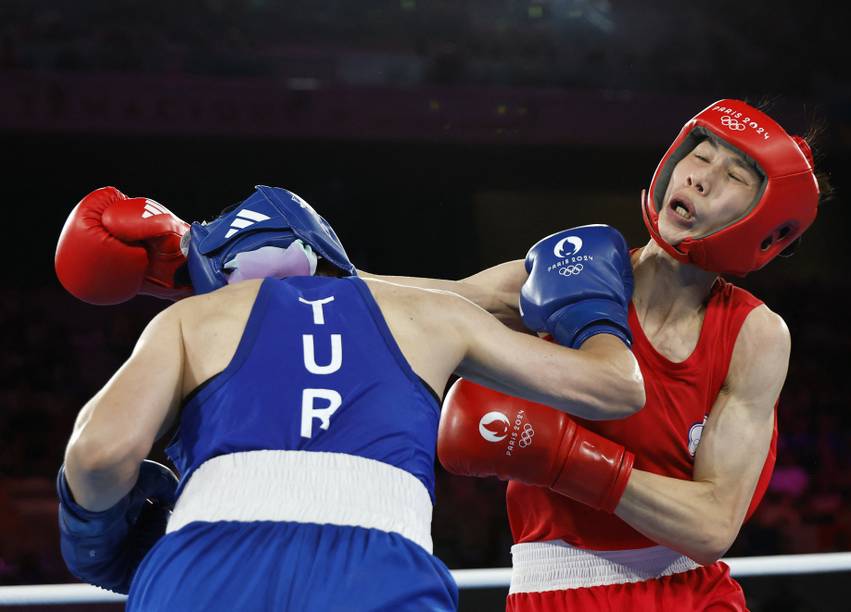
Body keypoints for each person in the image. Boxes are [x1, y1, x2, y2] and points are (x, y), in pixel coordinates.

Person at [53, 185, 645, 610]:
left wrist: (95, 539)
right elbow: (614, 385)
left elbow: (99, 455)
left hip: (205, 561)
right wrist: (590, 307)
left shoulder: (195, 317)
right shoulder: (429, 313)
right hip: (378, 568)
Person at [408, 98, 825, 611]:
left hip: (691, 596)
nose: (699, 177)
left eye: (734, 175)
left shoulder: (755, 335)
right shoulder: (569, 275)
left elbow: (712, 525)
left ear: (766, 220)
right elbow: (421, 305)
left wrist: (563, 457)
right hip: (552, 591)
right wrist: (310, 263)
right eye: (699, 155)